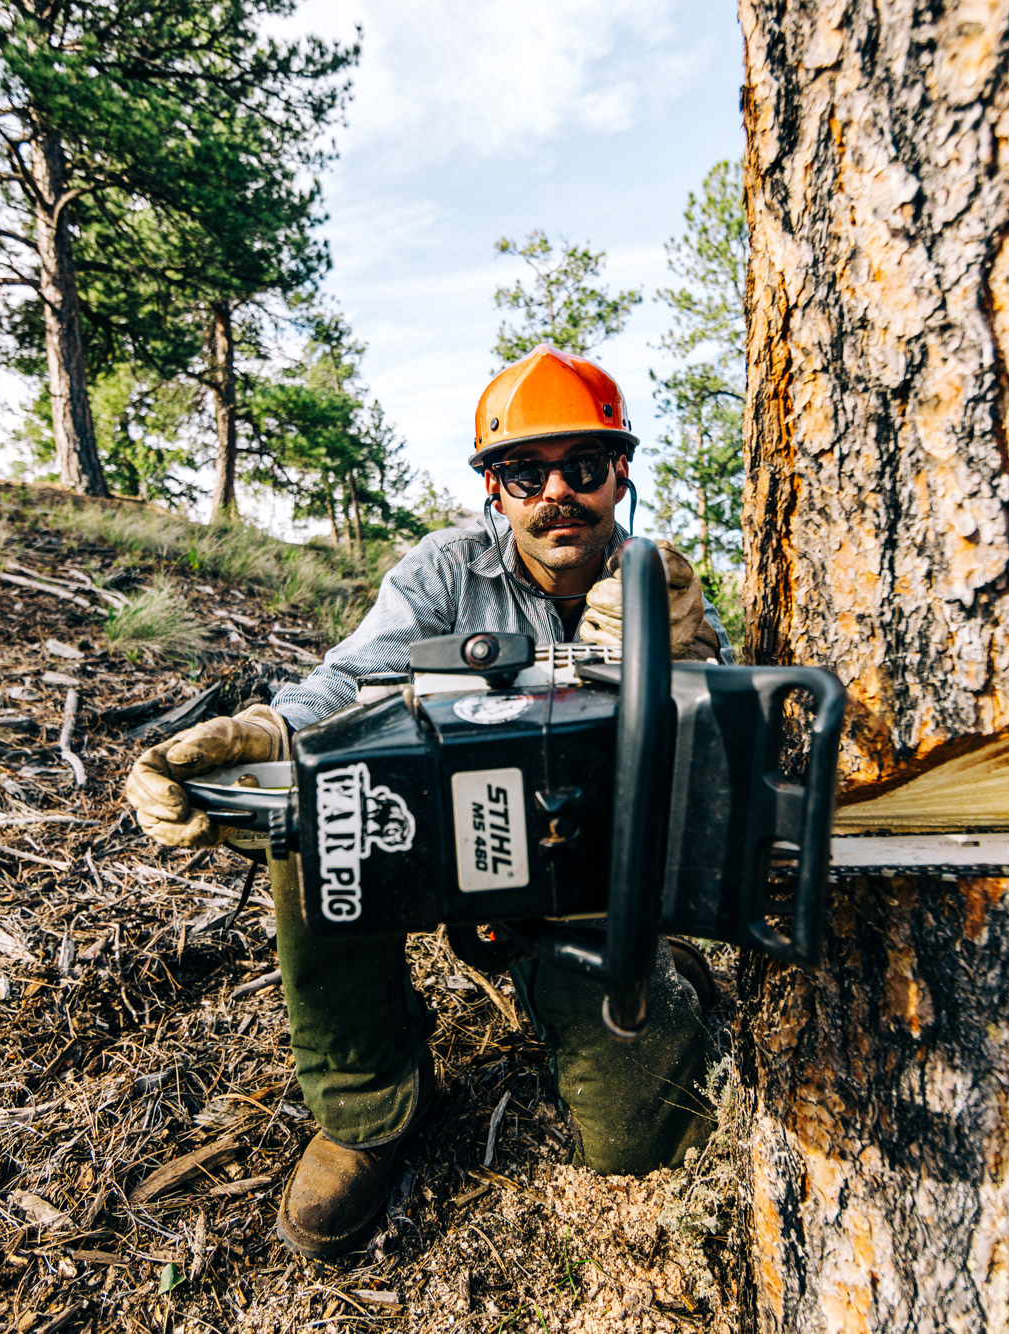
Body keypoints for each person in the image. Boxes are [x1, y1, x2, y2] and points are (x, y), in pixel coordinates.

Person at [124, 344, 729, 1258]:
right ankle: (370, 1104)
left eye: (582, 467)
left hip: (584, 875)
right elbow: (351, 682)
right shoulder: (447, 571)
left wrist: (679, 661)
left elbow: (714, 759)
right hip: (437, 837)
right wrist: (269, 731)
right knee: (314, 820)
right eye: (526, 473)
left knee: (643, 1140)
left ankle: (646, 973)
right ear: (495, 489)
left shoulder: (660, 584)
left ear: (619, 474)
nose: (556, 492)